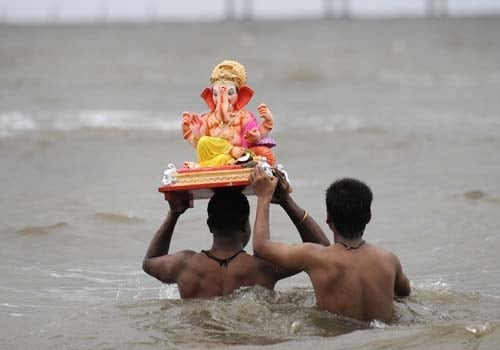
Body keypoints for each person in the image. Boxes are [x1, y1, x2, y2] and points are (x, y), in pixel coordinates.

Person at [249, 166, 411, 322]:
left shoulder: (315, 257)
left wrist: (264, 197)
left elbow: (261, 246)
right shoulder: (389, 259)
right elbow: (405, 294)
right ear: (369, 216)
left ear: (328, 218)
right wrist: (286, 200)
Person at [142, 186, 329, 298]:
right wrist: (286, 201)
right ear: (244, 224)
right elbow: (321, 249)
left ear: (209, 225)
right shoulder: (264, 267)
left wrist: (174, 214)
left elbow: (150, 261)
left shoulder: (183, 264)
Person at [182, 60, 277, 167]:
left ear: (240, 95)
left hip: (238, 156)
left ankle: (200, 167)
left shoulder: (243, 116)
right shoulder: (207, 118)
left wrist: (265, 125)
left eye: (230, 93)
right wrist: (192, 132)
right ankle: (213, 161)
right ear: (210, 95)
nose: (222, 98)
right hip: (216, 158)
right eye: (215, 94)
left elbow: (257, 136)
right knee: (204, 141)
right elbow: (202, 147)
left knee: (233, 159)